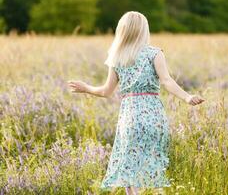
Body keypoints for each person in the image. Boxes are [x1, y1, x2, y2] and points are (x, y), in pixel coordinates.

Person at [68, 11, 204, 195]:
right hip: (154, 118)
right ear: (144, 30)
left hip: (130, 118)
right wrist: (187, 97)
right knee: (155, 168)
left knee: (129, 170)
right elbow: (167, 81)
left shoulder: (117, 57)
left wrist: (86, 88)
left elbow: (106, 91)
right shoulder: (155, 53)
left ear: (121, 31)